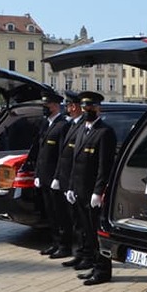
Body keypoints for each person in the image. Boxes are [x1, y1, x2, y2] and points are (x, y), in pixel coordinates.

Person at [65, 91, 117, 286]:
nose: (88, 111)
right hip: (79, 190)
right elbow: (75, 162)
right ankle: (95, 266)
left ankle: (103, 270)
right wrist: (71, 187)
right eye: (85, 107)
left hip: (92, 192)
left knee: (97, 234)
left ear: (98, 108)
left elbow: (105, 166)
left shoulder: (105, 132)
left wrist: (98, 191)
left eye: (91, 107)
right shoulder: (81, 131)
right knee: (86, 231)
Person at [23, 92, 71, 258]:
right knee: (50, 212)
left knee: (60, 213)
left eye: (47, 105)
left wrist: (57, 177)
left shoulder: (63, 125)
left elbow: (62, 155)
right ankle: (55, 242)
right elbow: (40, 151)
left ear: (56, 106)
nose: (44, 108)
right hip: (44, 176)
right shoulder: (46, 124)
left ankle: (65, 245)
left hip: (55, 178)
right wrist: (37, 174)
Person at [55, 91, 86, 264]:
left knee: (81, 222)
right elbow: (64, 154)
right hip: (68, 180)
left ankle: (83, 254)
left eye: (68, 105)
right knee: (74, 220)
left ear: (74, 106)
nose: (67, 108)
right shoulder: (73, 124)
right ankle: (79, 253)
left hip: (77, 181)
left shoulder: (81, 124)